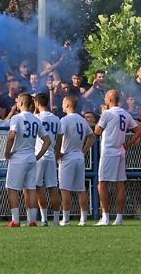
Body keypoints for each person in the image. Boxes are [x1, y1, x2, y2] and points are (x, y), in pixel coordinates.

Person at [93, 89, 141, 226]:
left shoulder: (107, 113)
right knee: (120, 184)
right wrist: (129, 144)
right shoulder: (125, 113)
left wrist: (102, 114)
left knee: (102, 183)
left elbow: (97, 131)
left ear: (109, 99)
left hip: (109, 151)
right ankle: (119, 218)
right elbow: (138, 129)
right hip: (120, 150)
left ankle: (105, 217)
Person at [4, 94, 50, 227]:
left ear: (21, 103)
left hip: (19, 157)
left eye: (17, 101)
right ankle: (32, 220)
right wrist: (38, 156)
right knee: (31, 189)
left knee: (12, 188)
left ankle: (16, 220)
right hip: (31, 156)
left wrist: (7, 152)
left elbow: (12, 136)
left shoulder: (16, 118)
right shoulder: (36, 119)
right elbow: (47, 141)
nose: (16, 103)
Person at [57, 96, 93, 226]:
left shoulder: (65, 120)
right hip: (79, 156)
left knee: (65, 189)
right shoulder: (82, 120)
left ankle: (65, 219)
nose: (62, 106)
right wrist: (83, 151)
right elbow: (92, 137)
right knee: (80, 189)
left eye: (63, 103)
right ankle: (83, 219)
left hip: (67, 156)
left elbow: (60, 137)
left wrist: (57, 153)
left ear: (67, 105)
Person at [33, 93, 62, 227]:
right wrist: (57, 153)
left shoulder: (36, 117)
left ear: (37, 103)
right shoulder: (56, 119)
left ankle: (44, 219)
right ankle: (56, 220)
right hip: (51, 154)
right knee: (53, 188)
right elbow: (60, 137)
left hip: (39, 154)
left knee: (39, 187)